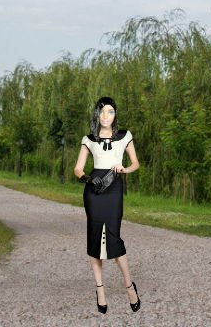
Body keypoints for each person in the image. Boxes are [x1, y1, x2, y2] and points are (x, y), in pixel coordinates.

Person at [74, 96, 141, 315]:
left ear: (115, 115)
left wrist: (124, 169)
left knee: (114, 237)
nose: (105, 116)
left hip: (113, 189)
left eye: (110, 112)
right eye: (102, 112)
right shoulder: (89, 139)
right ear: (97, 114)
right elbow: (78, 168)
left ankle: (129, 286)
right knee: (95, 239)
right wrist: (87, 178)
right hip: (94, 190)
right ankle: (100, 290)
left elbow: (136, 163)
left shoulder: (125, 136)